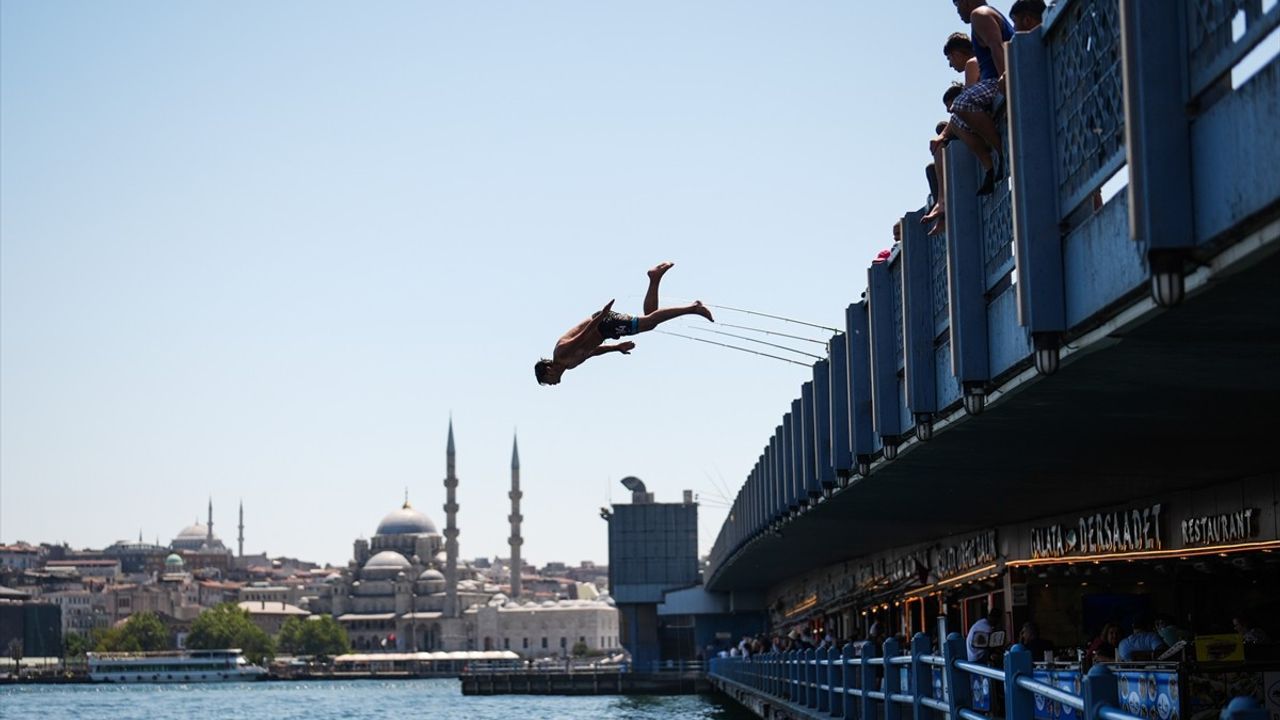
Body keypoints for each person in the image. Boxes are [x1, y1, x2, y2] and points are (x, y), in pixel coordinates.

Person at [533, 262, 714, 385]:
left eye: (547, 381)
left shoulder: (562, 352)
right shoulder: (569, 365)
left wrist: (602, 315)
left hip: (603, 323)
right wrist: (617, 347)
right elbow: (592, 352)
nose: (552, 384)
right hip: (606, 331)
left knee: (649, 322)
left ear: (548, 371)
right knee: (650, 318)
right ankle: (655, 277)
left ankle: (693, 308)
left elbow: (584, 335)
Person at [950, 0, 1015, 195]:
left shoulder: (980, 14)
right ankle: (990, 167)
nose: (958, 11)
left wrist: (1007, 78)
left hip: (997, 79)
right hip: (991, 81)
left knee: (961, 103)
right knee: (956, 122)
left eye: (957, 5)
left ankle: (1002, 150)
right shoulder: (981, 15)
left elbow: (997, 46)